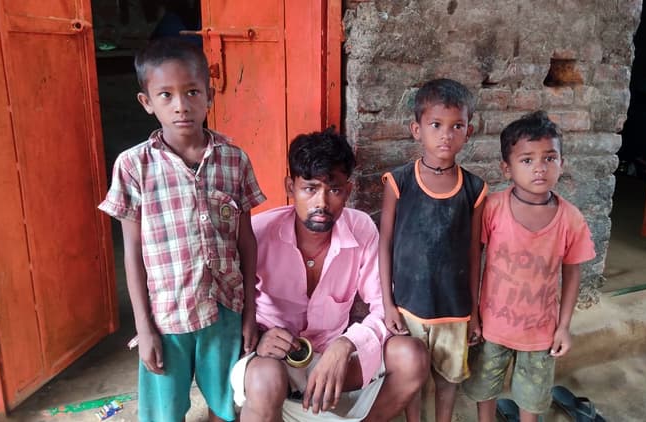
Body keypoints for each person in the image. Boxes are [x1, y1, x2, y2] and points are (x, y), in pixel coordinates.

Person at [98, 37, 265, 422]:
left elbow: (246, 241)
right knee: (164, 412)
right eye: (166, 95)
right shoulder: (133, 166)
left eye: (192, 92)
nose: (181, 105)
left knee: (227, 405)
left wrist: (249, 313)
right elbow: (132, 254)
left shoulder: (234, 160)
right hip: (166, 316)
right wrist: (144, 328)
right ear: (147, 102)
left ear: (209, 95)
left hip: (225, 309)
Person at [231, 128, 429, 422]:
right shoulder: (258, 233)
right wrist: (259, 337)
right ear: (290, 187)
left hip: (332, 360)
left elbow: (383, 306)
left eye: (334, 190)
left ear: (347, 191)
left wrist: (345, 345)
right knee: (264, 379)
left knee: (412, 356)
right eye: (310, 189)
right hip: (274, 362)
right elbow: (228, 305)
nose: (321, 203)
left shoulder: (361, 229)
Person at [461, 110, 596, 422]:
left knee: (532, 398)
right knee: (484, 388)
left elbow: (572, 272)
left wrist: (563, 327)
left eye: (549, 158)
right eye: (527, 160)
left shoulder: (571, 219)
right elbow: (473, 259)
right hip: (492, 327)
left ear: (562, 162)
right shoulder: (493, 208)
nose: (539, 168)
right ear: (506, 168)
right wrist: (472, 315)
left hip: (540, 333)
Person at [378, 78, 487, 422]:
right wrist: (387, 303)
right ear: (417, 129)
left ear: (468, 132)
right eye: (436, 125)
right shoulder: (399, 182)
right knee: (412, 378)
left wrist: (474, 311)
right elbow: (385, 243)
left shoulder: (474, 189)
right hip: (408, 305)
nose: (446, 135)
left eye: (457, 126)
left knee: (447, 381)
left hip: (454, 309)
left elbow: (474, 253)